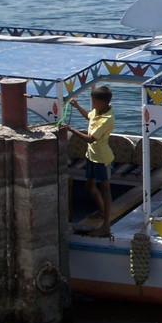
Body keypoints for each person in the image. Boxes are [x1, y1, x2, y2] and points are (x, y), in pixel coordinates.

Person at [60, 85, 115, 236]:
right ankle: (102, 212)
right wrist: (77, 106)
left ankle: (106, 225)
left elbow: (91, 139)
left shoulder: (106, 119)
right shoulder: (98, 111)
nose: (93, 105)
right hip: (91, 156)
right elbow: (89, 116)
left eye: (95, 103)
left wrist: (71, 130)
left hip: (102, 159)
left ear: (103, 103)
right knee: (90, 186)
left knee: (105, 189)